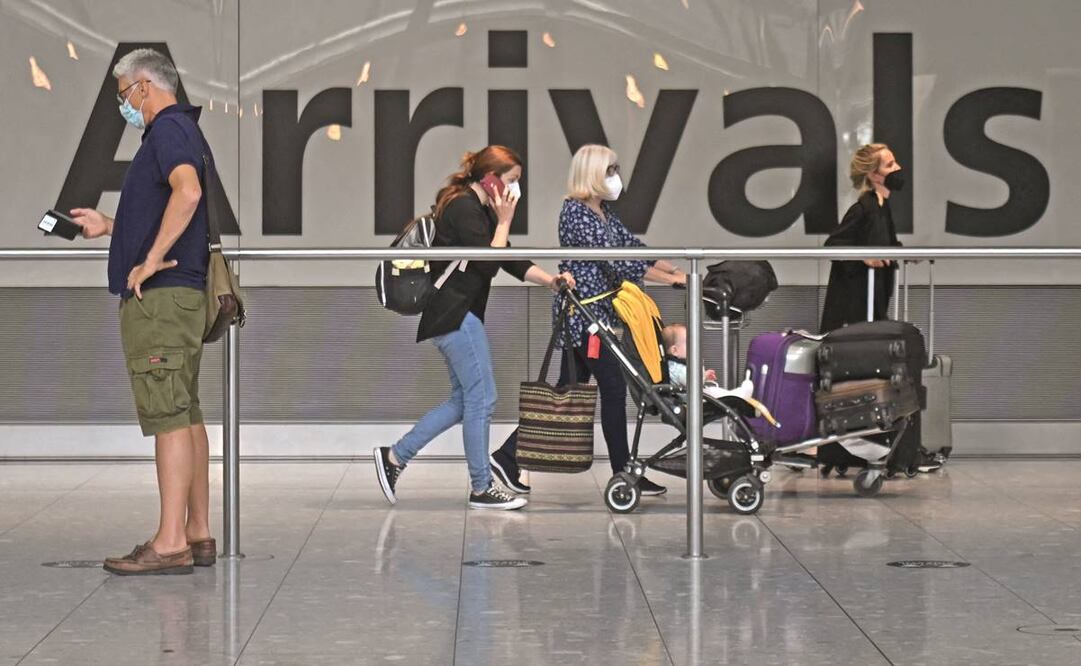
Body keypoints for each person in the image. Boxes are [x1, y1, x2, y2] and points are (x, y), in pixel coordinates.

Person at [70, 49, 216, 575]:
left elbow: (188, 192)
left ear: (146, 87)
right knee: (186, 411)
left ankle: (170, 541)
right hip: (181, 297)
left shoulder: (168, 130)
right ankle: (196, 532)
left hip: (162, 299)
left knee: (168, 416)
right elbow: (167, 206)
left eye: (125, 93)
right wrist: (111, 227)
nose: (124, 104)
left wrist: (151, 260)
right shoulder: (179, 132)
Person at [373, 146, 575, 510]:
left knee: (463, 401)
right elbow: (488, 263)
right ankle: (481, 487)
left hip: (454, 315)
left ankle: (394, 457)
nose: (515, 189)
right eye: (512, 180)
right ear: (490, 179)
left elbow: (508, 257)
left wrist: (550, 280)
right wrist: (505, 220)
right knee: (483, 398)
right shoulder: (463, 207)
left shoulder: (476, 210)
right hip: (455, 315)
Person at [490, 144, 684, 495]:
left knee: (564, 393)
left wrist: (674, 268)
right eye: (609, 170)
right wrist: (672, 280)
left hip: (598, 316)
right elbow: (618, 262)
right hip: (583, 318)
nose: (616, 177)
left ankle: (506, 457)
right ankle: (624, 472)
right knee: (613, 386)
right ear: (591, 173)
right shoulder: (575, 212)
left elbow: (632, 248)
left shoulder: (604, 212)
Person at [819, 143, 904, 333]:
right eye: (889, 165)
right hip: (854, 308)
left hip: (874, 301)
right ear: (874, 175)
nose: (898, 168)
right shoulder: (861, 210)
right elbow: (833, 244)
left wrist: (905, 254)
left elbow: (887, 243)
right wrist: (863, 257)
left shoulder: (882, 208)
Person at [660, 324, 754, 401]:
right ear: (675, 350)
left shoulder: (672, 366)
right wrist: (700, 366)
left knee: (713, 391)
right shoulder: (678, 369)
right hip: (691, 401)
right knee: (712, 392)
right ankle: (737, 396)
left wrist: (704, 376)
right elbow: (694, 382)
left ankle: (735, 395)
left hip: (691, 396)